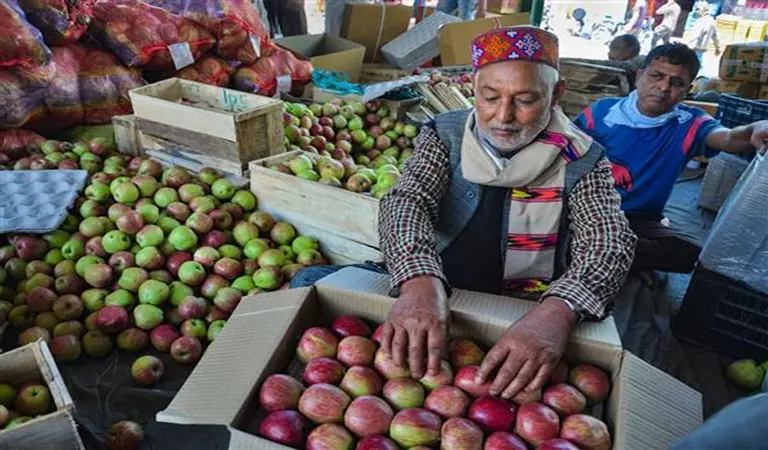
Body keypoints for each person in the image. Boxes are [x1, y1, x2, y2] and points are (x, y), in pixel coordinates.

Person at [293, 26, 636, 399]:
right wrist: (419, 279)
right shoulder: (446, 134)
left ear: (556, 94)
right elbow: (407, 201)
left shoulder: (583, 158)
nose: (504, 116)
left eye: (525, 99)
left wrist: (558, 311)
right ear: (473, 87)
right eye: (489, 97)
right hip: (440, 288)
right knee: (308, 281)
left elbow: (609, 242)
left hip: (521, 306)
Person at [575, 43, 768, 274]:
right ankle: (606, 249)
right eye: (657, 76)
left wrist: (756, 127)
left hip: (638, 220)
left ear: (687, 90)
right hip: (585, 211)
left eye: (677, 83)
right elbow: (567, 152)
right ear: (639, 76)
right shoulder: (601, 111)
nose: (664, 87)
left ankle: (600, 249)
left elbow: (727, 138)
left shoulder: (690, 123)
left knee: (691, 255)